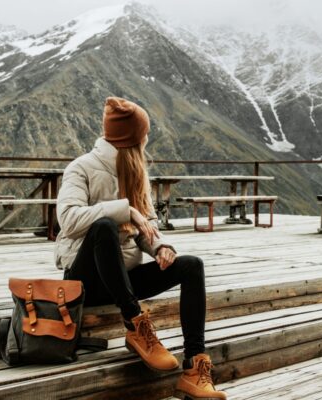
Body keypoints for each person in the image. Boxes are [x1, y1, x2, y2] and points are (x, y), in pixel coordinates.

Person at [55, 97, 227, 400]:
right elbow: (68, 221)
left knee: (192, 266)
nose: (147, 140)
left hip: (124, 277)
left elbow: (147, 223)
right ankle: (135, 325)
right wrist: (124, 210)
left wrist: (160, 246)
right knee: (104, 227)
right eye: (143, 134)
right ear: (131, 138)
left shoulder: (135, 172)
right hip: (85, 283)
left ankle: (194, 368)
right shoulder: (80, 168)